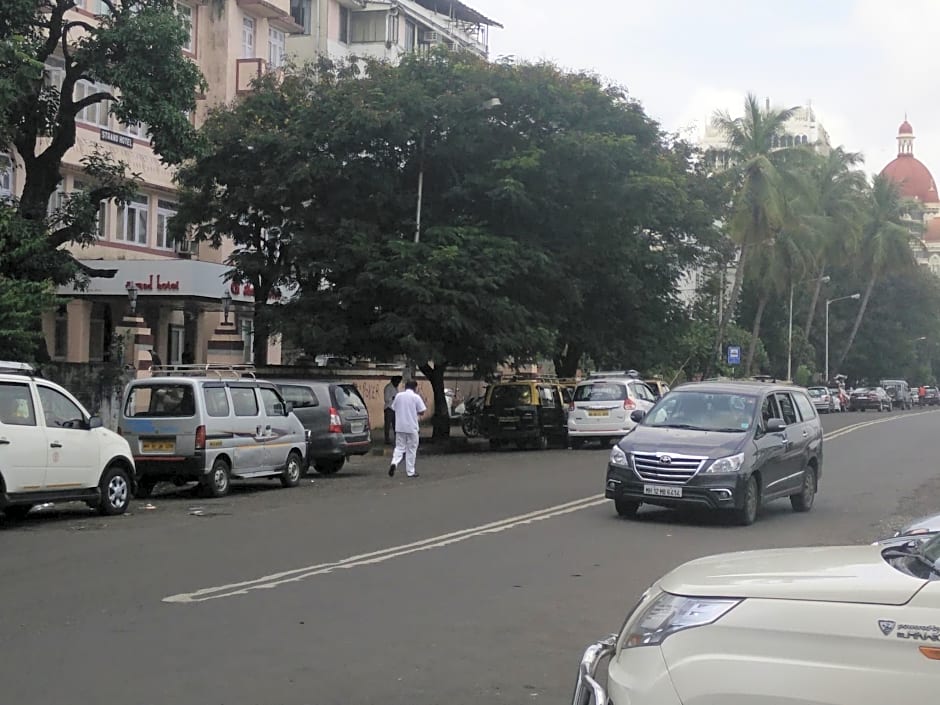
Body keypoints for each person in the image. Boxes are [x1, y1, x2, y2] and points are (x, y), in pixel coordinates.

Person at [388, 380, 427, 478]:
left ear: (405, 387)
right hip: (412, 427)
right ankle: (410, 471)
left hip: (400, 427)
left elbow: (393, 408)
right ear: (415, 388)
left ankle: (394, 463)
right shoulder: (416, 397)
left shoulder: (398, 396)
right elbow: (422, 411)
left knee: (399, 447)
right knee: (411, 449)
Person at [383, 375, 402, 445]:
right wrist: (394, 397)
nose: (398, 383)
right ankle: (386, 439)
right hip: (389, 408)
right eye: (397, 382)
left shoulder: (395, 388)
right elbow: (386, 399)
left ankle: (397, 438)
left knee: (396, 424)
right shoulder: (388, 388)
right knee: (387, 425)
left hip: (395, 408)